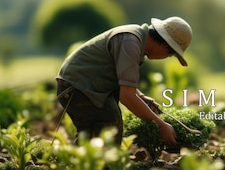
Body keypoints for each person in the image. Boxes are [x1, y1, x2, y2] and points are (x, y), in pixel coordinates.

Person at [55, 16, 193, 146]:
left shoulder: (136, 39)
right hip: (78, 87)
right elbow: (127, 96)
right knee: (109, 126)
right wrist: (161, 125)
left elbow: (124, 82)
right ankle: (100, 167)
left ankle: (82, 167)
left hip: (85, 86)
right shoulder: (130, 42)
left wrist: (141, 97)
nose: (166, 57)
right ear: (164, 46)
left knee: (91, 135)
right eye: (170, 55)